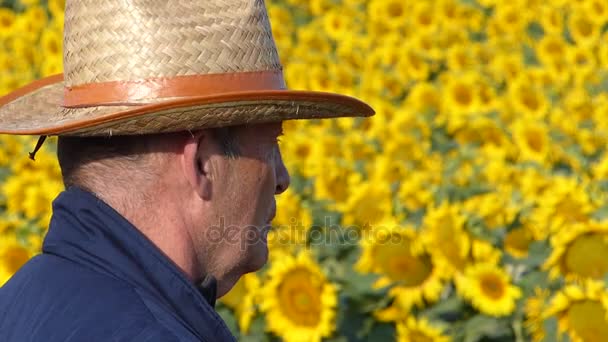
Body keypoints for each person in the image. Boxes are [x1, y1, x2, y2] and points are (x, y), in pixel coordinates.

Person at [0, 0, 373, 341]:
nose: (282, 178)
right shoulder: (152, 331)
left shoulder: (18, 300)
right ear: (202, 164)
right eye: (272, 145)